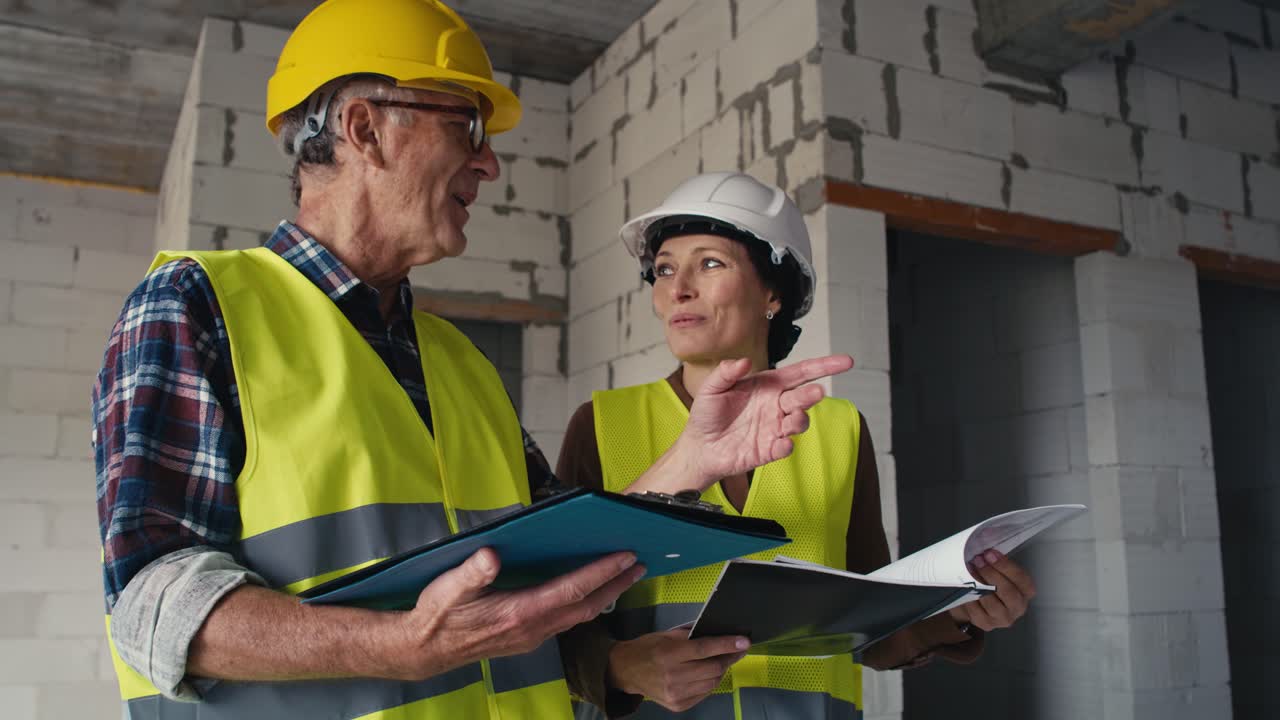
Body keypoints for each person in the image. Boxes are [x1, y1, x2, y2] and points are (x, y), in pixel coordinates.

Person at [92, 3, 853, 719]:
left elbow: (555, 556)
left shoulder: (457, 361)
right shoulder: (199, 305)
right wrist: (401, 648)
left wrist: (689, 462)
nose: (488, 165)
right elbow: (154, 608)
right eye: (467, 127)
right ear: (366, 129)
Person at [556, 172, 1039, 719]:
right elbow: (547, 615)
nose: (677, 288)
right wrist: (618, 666)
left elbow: (870, 627)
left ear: (772, 293)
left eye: (710, 262)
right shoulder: (601, 424)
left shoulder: (839, 429)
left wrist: (962, 613)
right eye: (664, 268)